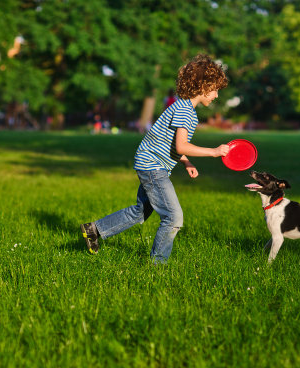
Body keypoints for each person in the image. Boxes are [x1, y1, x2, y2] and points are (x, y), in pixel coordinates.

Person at [80, 54, 229, 264]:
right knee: (174, 217)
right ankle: (157, 265)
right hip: (152, 166)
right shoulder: (186, 111)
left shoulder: (182, 106)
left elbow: (170, 142)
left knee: (139, 213)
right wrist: (214, 152)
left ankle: (94, 230)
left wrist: (186, 161)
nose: (216, 96)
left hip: (149, 162)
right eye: (214, 90)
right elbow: (181, 145)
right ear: (203, 87)